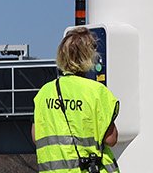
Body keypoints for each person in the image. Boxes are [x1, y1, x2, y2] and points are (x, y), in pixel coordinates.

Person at [32, 27, 120, 172]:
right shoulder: (96, 92)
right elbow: (111, 139)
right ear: (88, 57)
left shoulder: (44, 93)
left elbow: (37, 137)